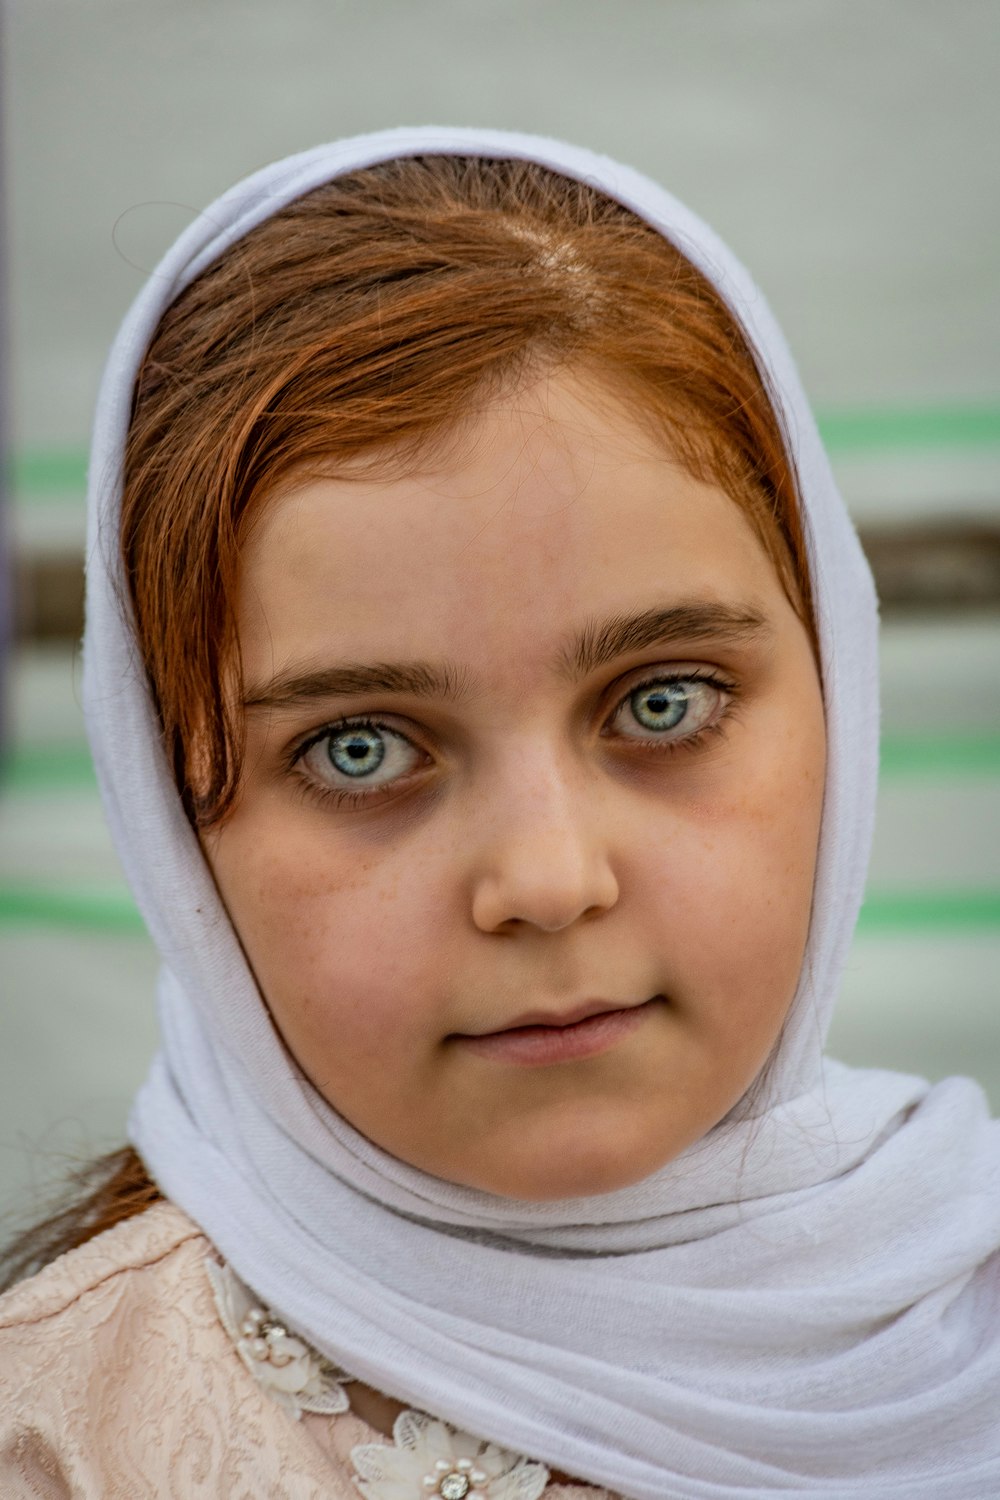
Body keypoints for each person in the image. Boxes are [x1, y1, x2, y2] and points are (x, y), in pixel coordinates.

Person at [1, 126, 998, 1499]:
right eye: (358, 749)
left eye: (664, 703)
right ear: (171, 823)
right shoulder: (69, 1437)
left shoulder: (967, 1295)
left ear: (838, 684)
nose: (545, 877)